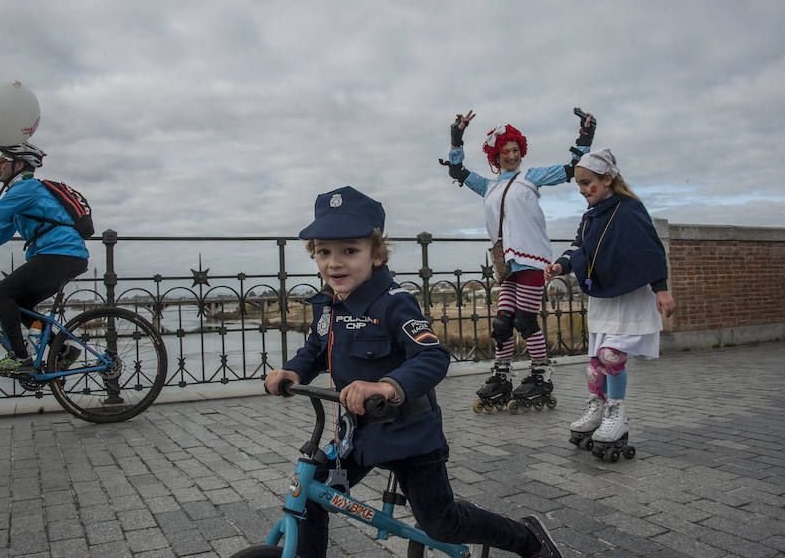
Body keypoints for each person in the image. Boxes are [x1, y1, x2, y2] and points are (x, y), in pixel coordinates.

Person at [264, 186, 561, 558]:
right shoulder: (328, 307)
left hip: (410, 435)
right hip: (355, 435)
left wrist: (387, 386)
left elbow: (433, 356)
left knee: (441, 522)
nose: (334, 264)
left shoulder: (393, 303)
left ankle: (527, 538)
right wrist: (291, 373)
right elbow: (314, 349)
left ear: (376, 254)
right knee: (310, 498)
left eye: (350, 251)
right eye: (324, 252)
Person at [443, 110, 594, 410]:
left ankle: (540, 373)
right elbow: (456, 171)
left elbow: (572, 167)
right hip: (506, 265)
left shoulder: (531, 178)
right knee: (502, 323)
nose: (511, 156)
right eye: (505, 152)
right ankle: (502, 375)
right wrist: (456, 137)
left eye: (515, 151)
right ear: (496, 156)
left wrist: (586, 135)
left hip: (531, 260)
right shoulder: (488, 186)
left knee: (524, 320)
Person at [544, 149, 675, 454]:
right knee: (595, 364)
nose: (581, 190)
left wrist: (661, 289)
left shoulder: (630, 210)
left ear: (607, 179)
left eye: (586, 183)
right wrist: (559, 266)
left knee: (611, 355)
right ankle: (597, 409)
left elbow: (651, 249)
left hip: (630, 296)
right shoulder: (590, 217)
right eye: (578, 185)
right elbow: (579, 249)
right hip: (603, 297)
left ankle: (617, 415)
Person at [0, 141, 89, 374]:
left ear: (19, 164)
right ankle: (62, 351)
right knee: (19, 305)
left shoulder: (26, 189)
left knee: (3, 292)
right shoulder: (22, 193)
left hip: (61, 254)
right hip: (61, 255)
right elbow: (1, 229)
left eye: (2, 161)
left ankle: (20, 358)